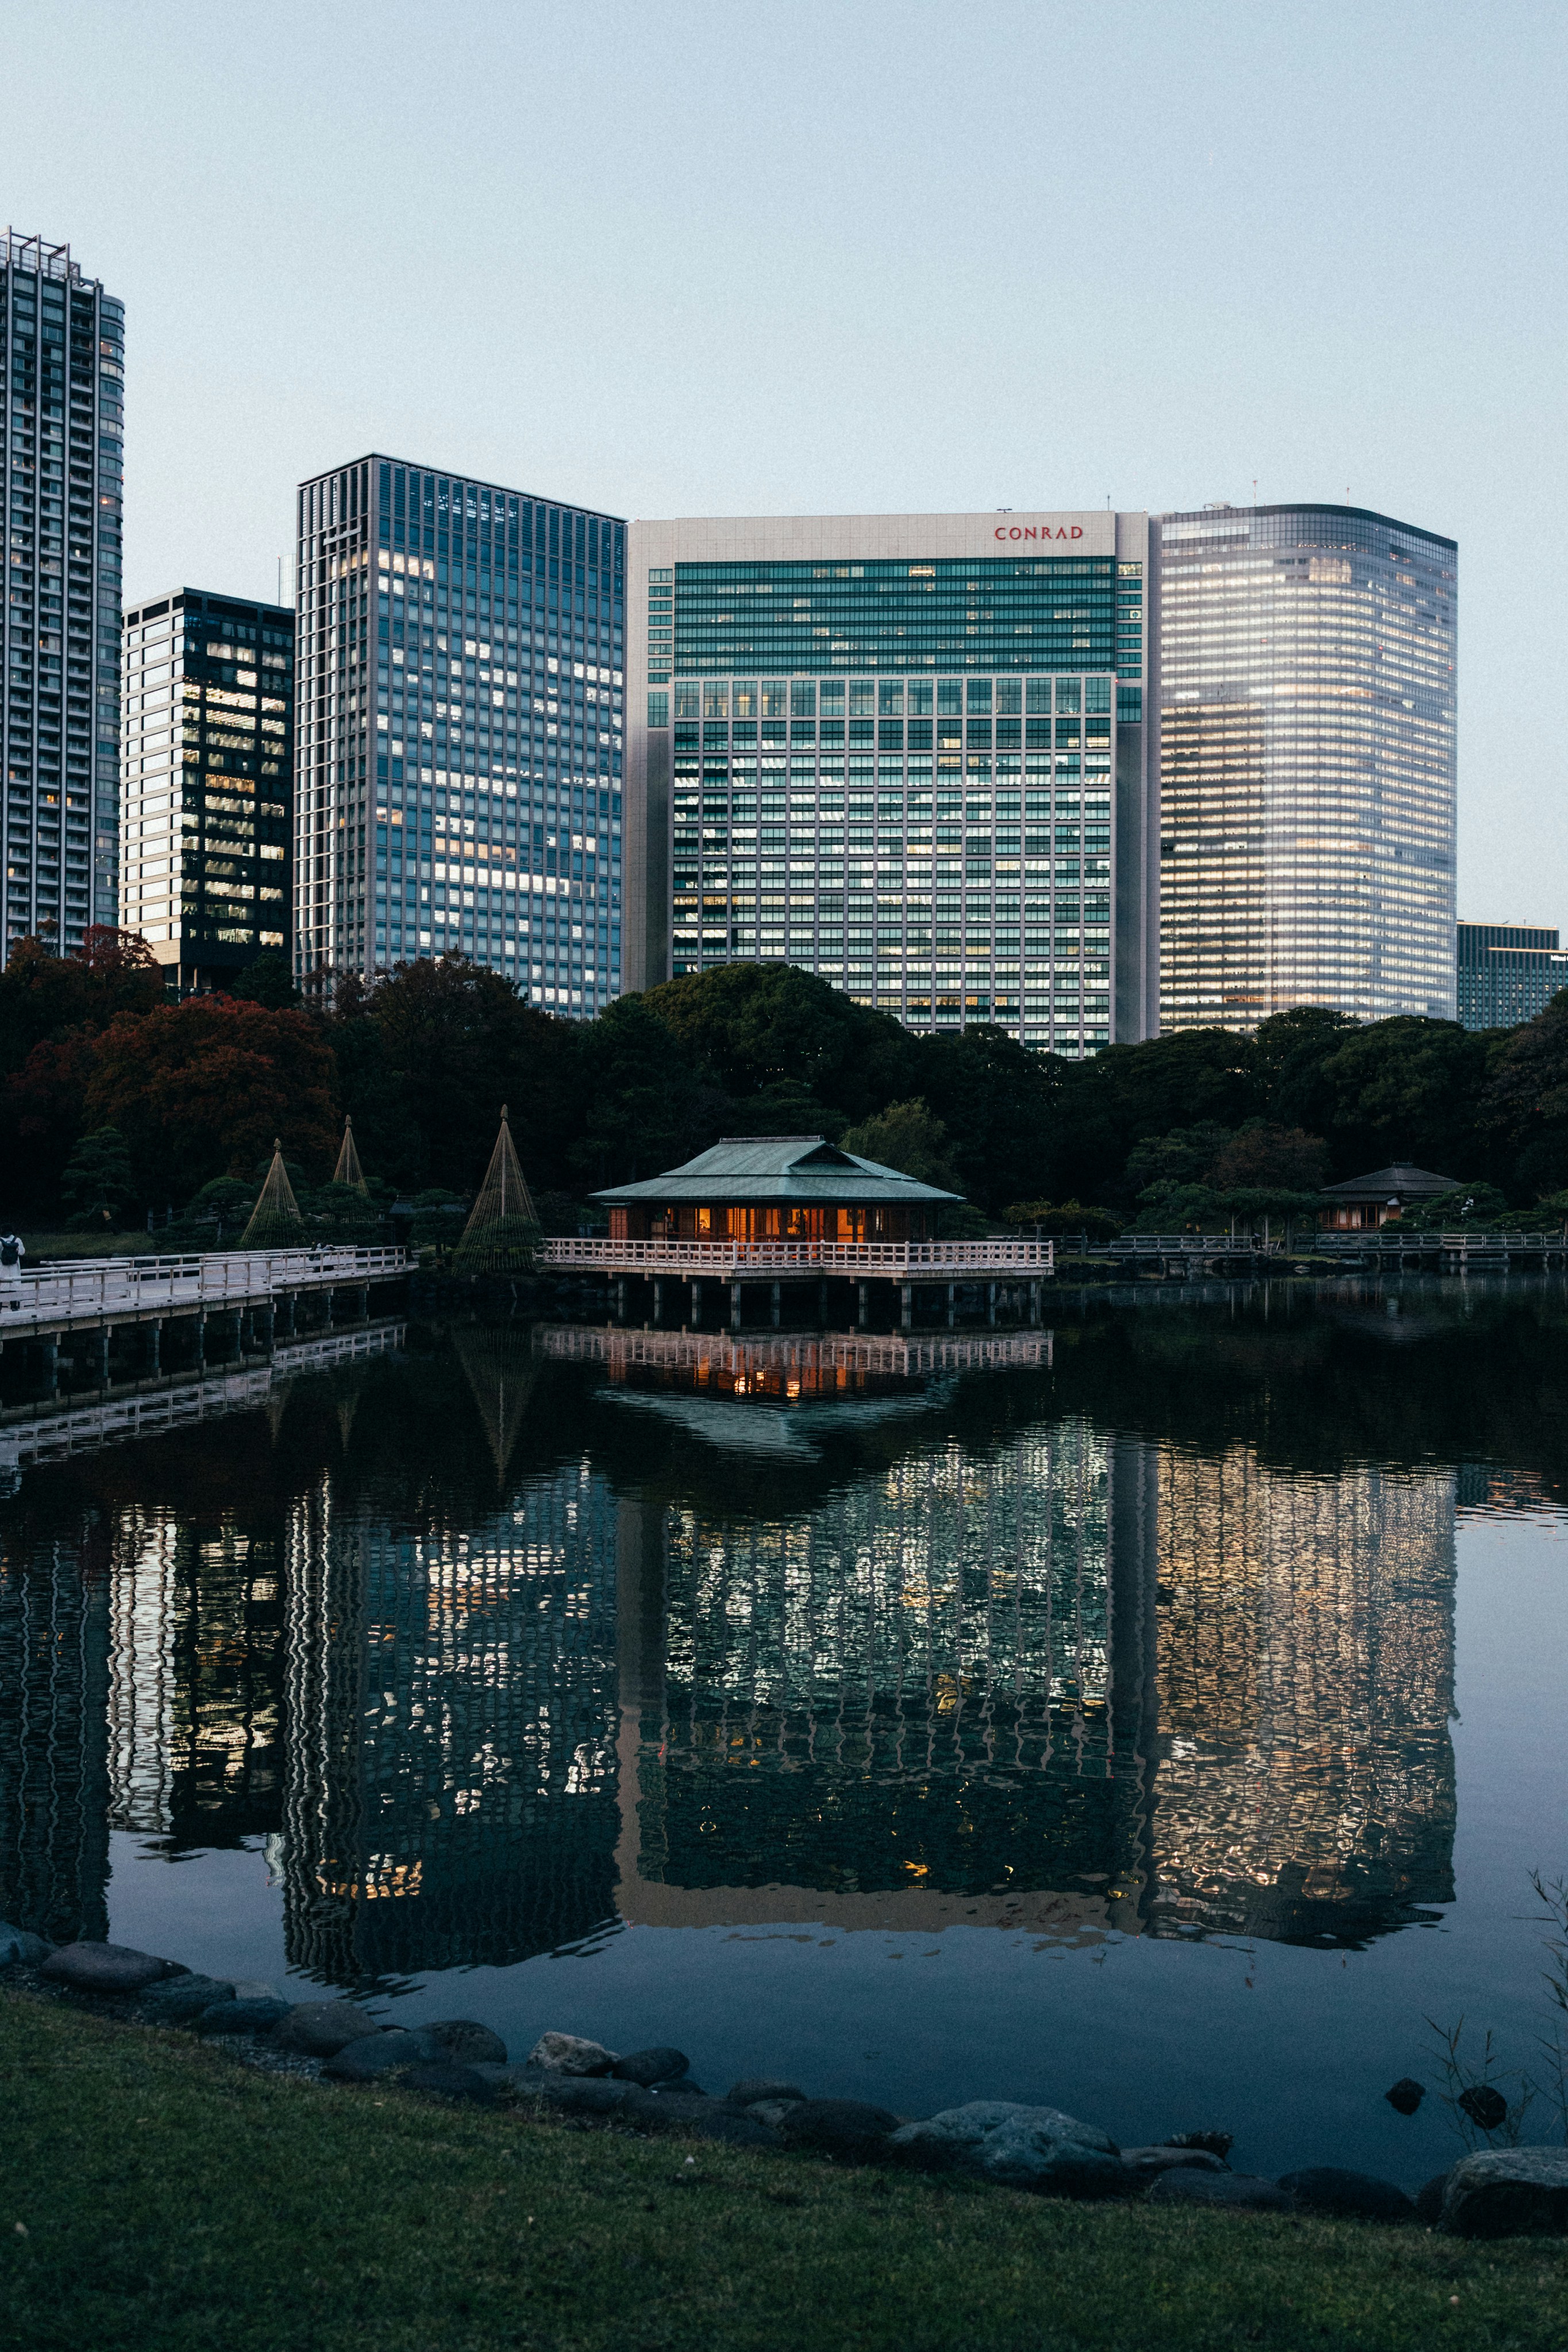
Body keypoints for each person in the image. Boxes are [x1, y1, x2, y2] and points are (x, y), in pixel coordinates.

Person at [0, 1230, 23, 1312]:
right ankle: (14, 1306)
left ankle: (0, 1307)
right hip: (14, 1268)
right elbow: (22, 1252)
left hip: (3, 1268)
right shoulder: (17, 1240)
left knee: (2, 1288)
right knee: (14, 1286)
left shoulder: (0, 1241)